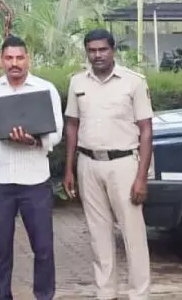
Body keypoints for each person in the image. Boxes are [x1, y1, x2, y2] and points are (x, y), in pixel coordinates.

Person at [63, 28, 154, 300]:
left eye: (103, 49)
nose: (98, 55)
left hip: (124, 164)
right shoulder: (77, 83)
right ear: (87, 52)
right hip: (88, 164)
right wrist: (68, 168)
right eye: (92, 50)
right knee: (98, 234)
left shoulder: (133, 82)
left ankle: (139, 294)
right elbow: (72, 126)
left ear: (113, 50)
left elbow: (146, 130)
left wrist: (142, 177)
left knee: (133, 234)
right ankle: (106, 293)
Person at [0, 35, 62, 300]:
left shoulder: (45, 89)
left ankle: (44, 296)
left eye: (19, 58)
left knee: (43, 247)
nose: (14, 63)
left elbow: (55, 133)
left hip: (35, 182)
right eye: (9, 58)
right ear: (1, 60)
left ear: (27, 59)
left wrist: (34, 140)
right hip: (1, 182)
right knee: (0, 249)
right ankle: (2, 296)